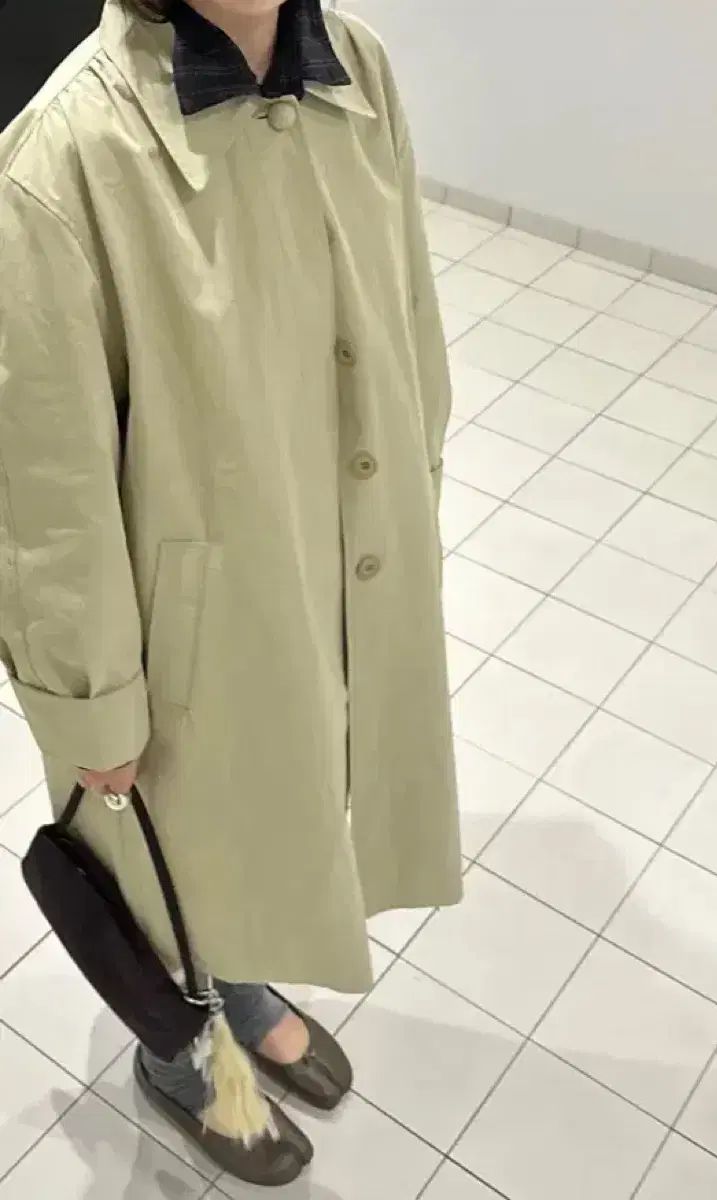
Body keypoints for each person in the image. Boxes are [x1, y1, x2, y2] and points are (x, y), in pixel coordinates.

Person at [0, 0, 461, 1186]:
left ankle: (239, 981)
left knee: (266, 806)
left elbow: (407, 304)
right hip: (171, 606)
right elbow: (45, 482)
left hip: (314, 539)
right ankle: (180, 1049)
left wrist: (409, 492)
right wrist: (90, 698)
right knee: (169, 842)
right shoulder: (65, 149)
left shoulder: (356, 65)